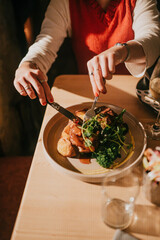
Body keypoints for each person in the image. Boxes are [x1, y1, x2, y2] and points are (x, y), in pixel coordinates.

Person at [14, 0, 160, 105]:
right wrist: (28, 64)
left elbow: (153, 40)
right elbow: (46, 42)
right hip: (88, 95)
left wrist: (122, 51)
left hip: (134, 96)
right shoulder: (64, 3)